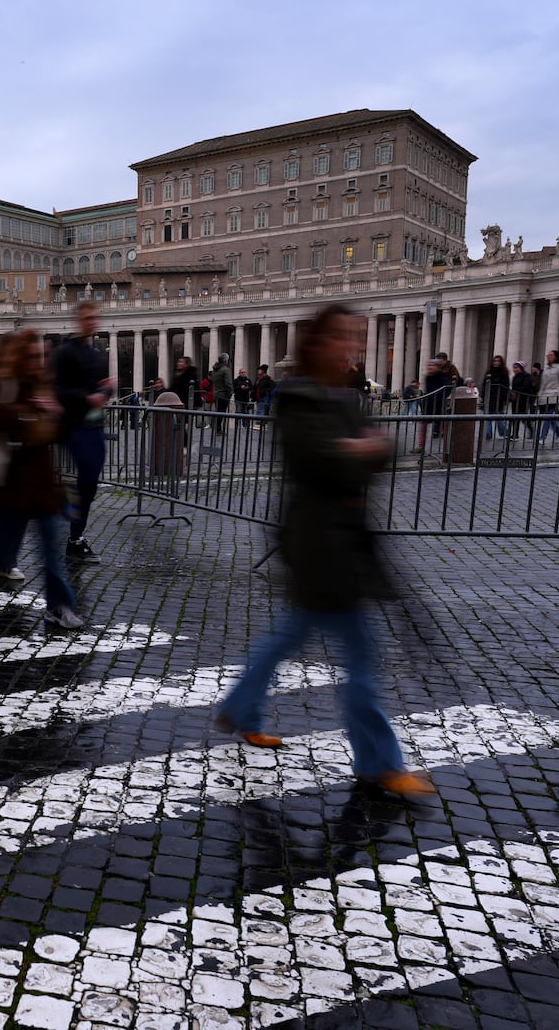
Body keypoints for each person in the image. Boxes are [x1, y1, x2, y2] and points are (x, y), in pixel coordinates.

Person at [215, 303, 434, 797]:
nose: (352, 346)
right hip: (317, 541)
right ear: (317, 343)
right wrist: (360, 450)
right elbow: (319, 459)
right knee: (359, 659)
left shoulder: (343, 396)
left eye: (355, 336)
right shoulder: (298, 397)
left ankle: (242, 707)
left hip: (345, 537)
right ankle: (379, 761)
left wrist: (361, 451)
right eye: (342, 336)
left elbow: (378, 452)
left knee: (290, 636)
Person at [0, 328, 84, 629]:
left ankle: (59, 606)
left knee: (50, 552)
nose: (36, 361)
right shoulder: (0, 383)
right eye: (30, 356)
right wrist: (22, 415)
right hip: (9, 484)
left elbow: (59, 429)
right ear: (17, 356)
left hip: (41, 484)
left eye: (39, 355)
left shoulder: (43, 385)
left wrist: (59, 415)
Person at [54, 301, 114, 563]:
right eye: (87, 317)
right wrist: (88, 398)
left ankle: (75, 538)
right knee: (86, 477)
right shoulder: (64, 353)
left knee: (90, 482)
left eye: (95, 318)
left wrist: (108, 389)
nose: (92, 322)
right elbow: (57, 389)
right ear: (79, 320)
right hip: (73, 424)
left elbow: (103, 387)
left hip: (95, 424)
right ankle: (61, 502)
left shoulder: (97, 353)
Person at [536, 348, 559, 442]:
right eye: (548, 355)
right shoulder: (546, 369)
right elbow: (543, 384)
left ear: (556, 357)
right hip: (544, 397)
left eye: (551, 355)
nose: (548, 356)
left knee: (547, 417)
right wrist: (539, 397)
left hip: (554, 396)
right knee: (549, 417)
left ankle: (542, 437)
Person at [482, 355, 511, 439]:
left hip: (499, 398)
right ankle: (488, 433)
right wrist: (483, 397)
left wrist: (505, 398)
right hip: (489, 397)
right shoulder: (489, 373)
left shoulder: (504, 373)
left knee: (499, 416)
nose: (496, 363)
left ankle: (503, 433)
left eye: (498, 361)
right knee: (488, 417)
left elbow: (506, 386)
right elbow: (484, 385)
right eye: (495, 361)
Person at [508, 361, 535, 438]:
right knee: (515, 417)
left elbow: (526, 387)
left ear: (521, 368)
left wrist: (515, 392)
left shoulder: (527, 376)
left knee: (523, 417)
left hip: (523, 399)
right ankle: (515, 434)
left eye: (516, 368)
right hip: (515, 400)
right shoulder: (515, 377)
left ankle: (531, 430)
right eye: (514, 368)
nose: (515, 369)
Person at [210, 352, 233, 433]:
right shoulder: (225, 370)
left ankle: (215, 426)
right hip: (223, 394)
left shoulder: (215, 370)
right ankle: (218, 428)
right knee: (221, 412)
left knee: (218, 410)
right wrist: (230, 393)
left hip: (216, 393)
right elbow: (228, 383)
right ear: (225, 360)